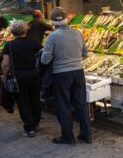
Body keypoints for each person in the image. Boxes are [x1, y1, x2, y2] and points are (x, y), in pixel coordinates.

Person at [41, 7, 91, 145]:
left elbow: (45, 59)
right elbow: (85, 53)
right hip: (78, 73)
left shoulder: (52, 36)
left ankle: (68, 137)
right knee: (81, 104)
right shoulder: (77, 33)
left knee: (63, 106)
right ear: (67, 20)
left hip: (61, 74)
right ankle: (87, 135)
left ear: (52, 22)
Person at [1, 20, 42, 137]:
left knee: (23, 102)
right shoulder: (33, 43)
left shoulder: (9, 45)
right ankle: (35, 122)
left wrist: (4, 76)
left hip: (19, 77)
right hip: (34, 75)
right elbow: (43, 54)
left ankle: (29, 128)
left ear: (13, 32)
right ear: (25, 30)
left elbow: (5, 63)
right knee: (35, 99)